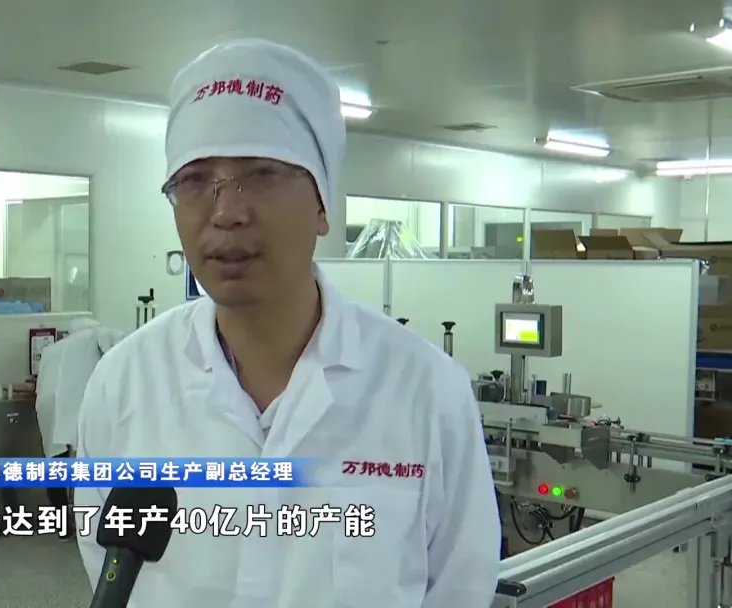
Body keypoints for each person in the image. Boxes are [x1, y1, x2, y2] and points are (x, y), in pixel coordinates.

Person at [74, 39, 500, 607]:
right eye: (195, 181)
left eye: (262, 174)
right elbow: (107, 564)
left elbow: (461, 586)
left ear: (323, 204)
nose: (226, 212)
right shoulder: (124, 383)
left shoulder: (425, 390)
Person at [35, 317, 125, 540]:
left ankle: (63, 526)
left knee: (55, 463)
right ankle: (92, 523)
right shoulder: (98, 335)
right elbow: (124, 351)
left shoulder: (52, 349)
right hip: (76, 402)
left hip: (47, 403)